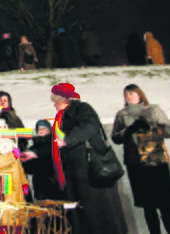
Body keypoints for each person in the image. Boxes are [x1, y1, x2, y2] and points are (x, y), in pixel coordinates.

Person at [49, 83, 128, 234]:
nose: (54, 104)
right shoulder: (61, 118)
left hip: (92, 174)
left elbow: (90, 127)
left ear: (64, 100)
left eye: (55, 100)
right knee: (84, 217)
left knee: (100, 215)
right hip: (76, 175)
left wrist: (68, 139)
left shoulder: (82, 109)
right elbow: (54, 144)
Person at [112, 84, 170, 234]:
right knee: (148, 206)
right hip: (135, 162)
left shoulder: (153, 109)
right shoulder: (122, 114)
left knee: (165, 205)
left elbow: (169, 131)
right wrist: (129, 130)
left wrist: (151, 128)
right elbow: (115, 137)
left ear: (140, 94)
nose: (129, 96)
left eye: (133, 93)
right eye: (127, 94)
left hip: (155, 158)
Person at [0, 117, 29, 233]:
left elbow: (18, 166)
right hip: (4, 181)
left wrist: (24, 182)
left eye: (5, 127)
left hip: (17, 184)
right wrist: (12, 156)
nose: (5, 129)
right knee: (6, 213)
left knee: (18, 215)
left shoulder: (12, 144)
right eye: (1, 127)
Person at [20, 120, 63, 201]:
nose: (41, 130)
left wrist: (34, 154)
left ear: (49, 131)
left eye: (44, 128)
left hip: (54, 184)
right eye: (39, 129)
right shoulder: (33, 148)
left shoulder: (54, 144)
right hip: (40, 187)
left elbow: (47, 151)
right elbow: (29, 169)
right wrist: (23, 161)